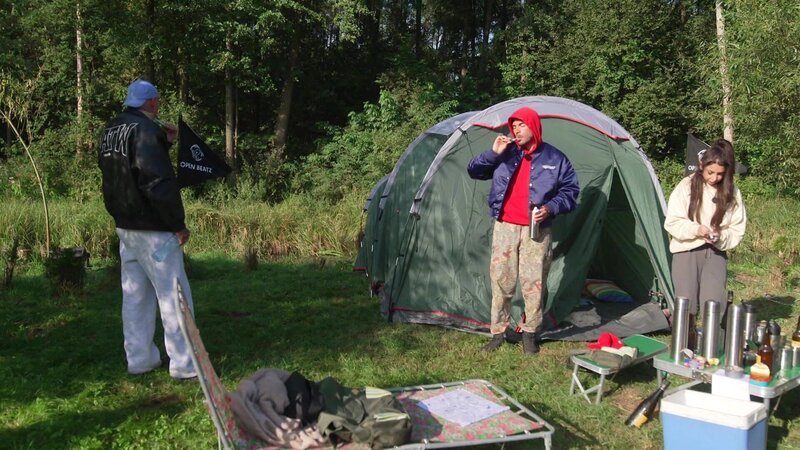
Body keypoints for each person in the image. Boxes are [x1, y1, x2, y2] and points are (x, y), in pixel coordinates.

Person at [98, 79, 197, 380]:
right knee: (173, 294)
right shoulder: (145, 130)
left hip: (126, 227)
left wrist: (164, 143)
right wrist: (176, 224)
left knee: (135, 296)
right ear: (153, 103)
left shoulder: (110, 130)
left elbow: (124, 170)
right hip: (154, 229)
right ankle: (184, 363)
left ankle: (139, 359)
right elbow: (156, 181)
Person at [467, 107, 579, 354]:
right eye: (513, 126)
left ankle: (530, 333)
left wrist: (550, 208)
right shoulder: (505, 152)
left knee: (534, 283)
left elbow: (571, 192)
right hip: (505, 226)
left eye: (521, 125)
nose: (515, 130)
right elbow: (474, 171)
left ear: (534, 127)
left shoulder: (555, 158)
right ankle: (498, 332)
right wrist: (492, 154)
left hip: (536, 229)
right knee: (500, 281)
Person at [664, 138, 746, 325]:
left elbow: (737, 228)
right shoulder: (686, 186)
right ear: (701, 166)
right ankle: (684, 349)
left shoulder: (732, 192)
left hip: (716, 253)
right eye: (710, 172)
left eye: (720, 174)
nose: (714, 178)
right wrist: (697, 229)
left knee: (714, 305)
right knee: (686, 306)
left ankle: (711, 350)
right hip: (686, 251)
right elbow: (672, 222)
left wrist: (720, 237)